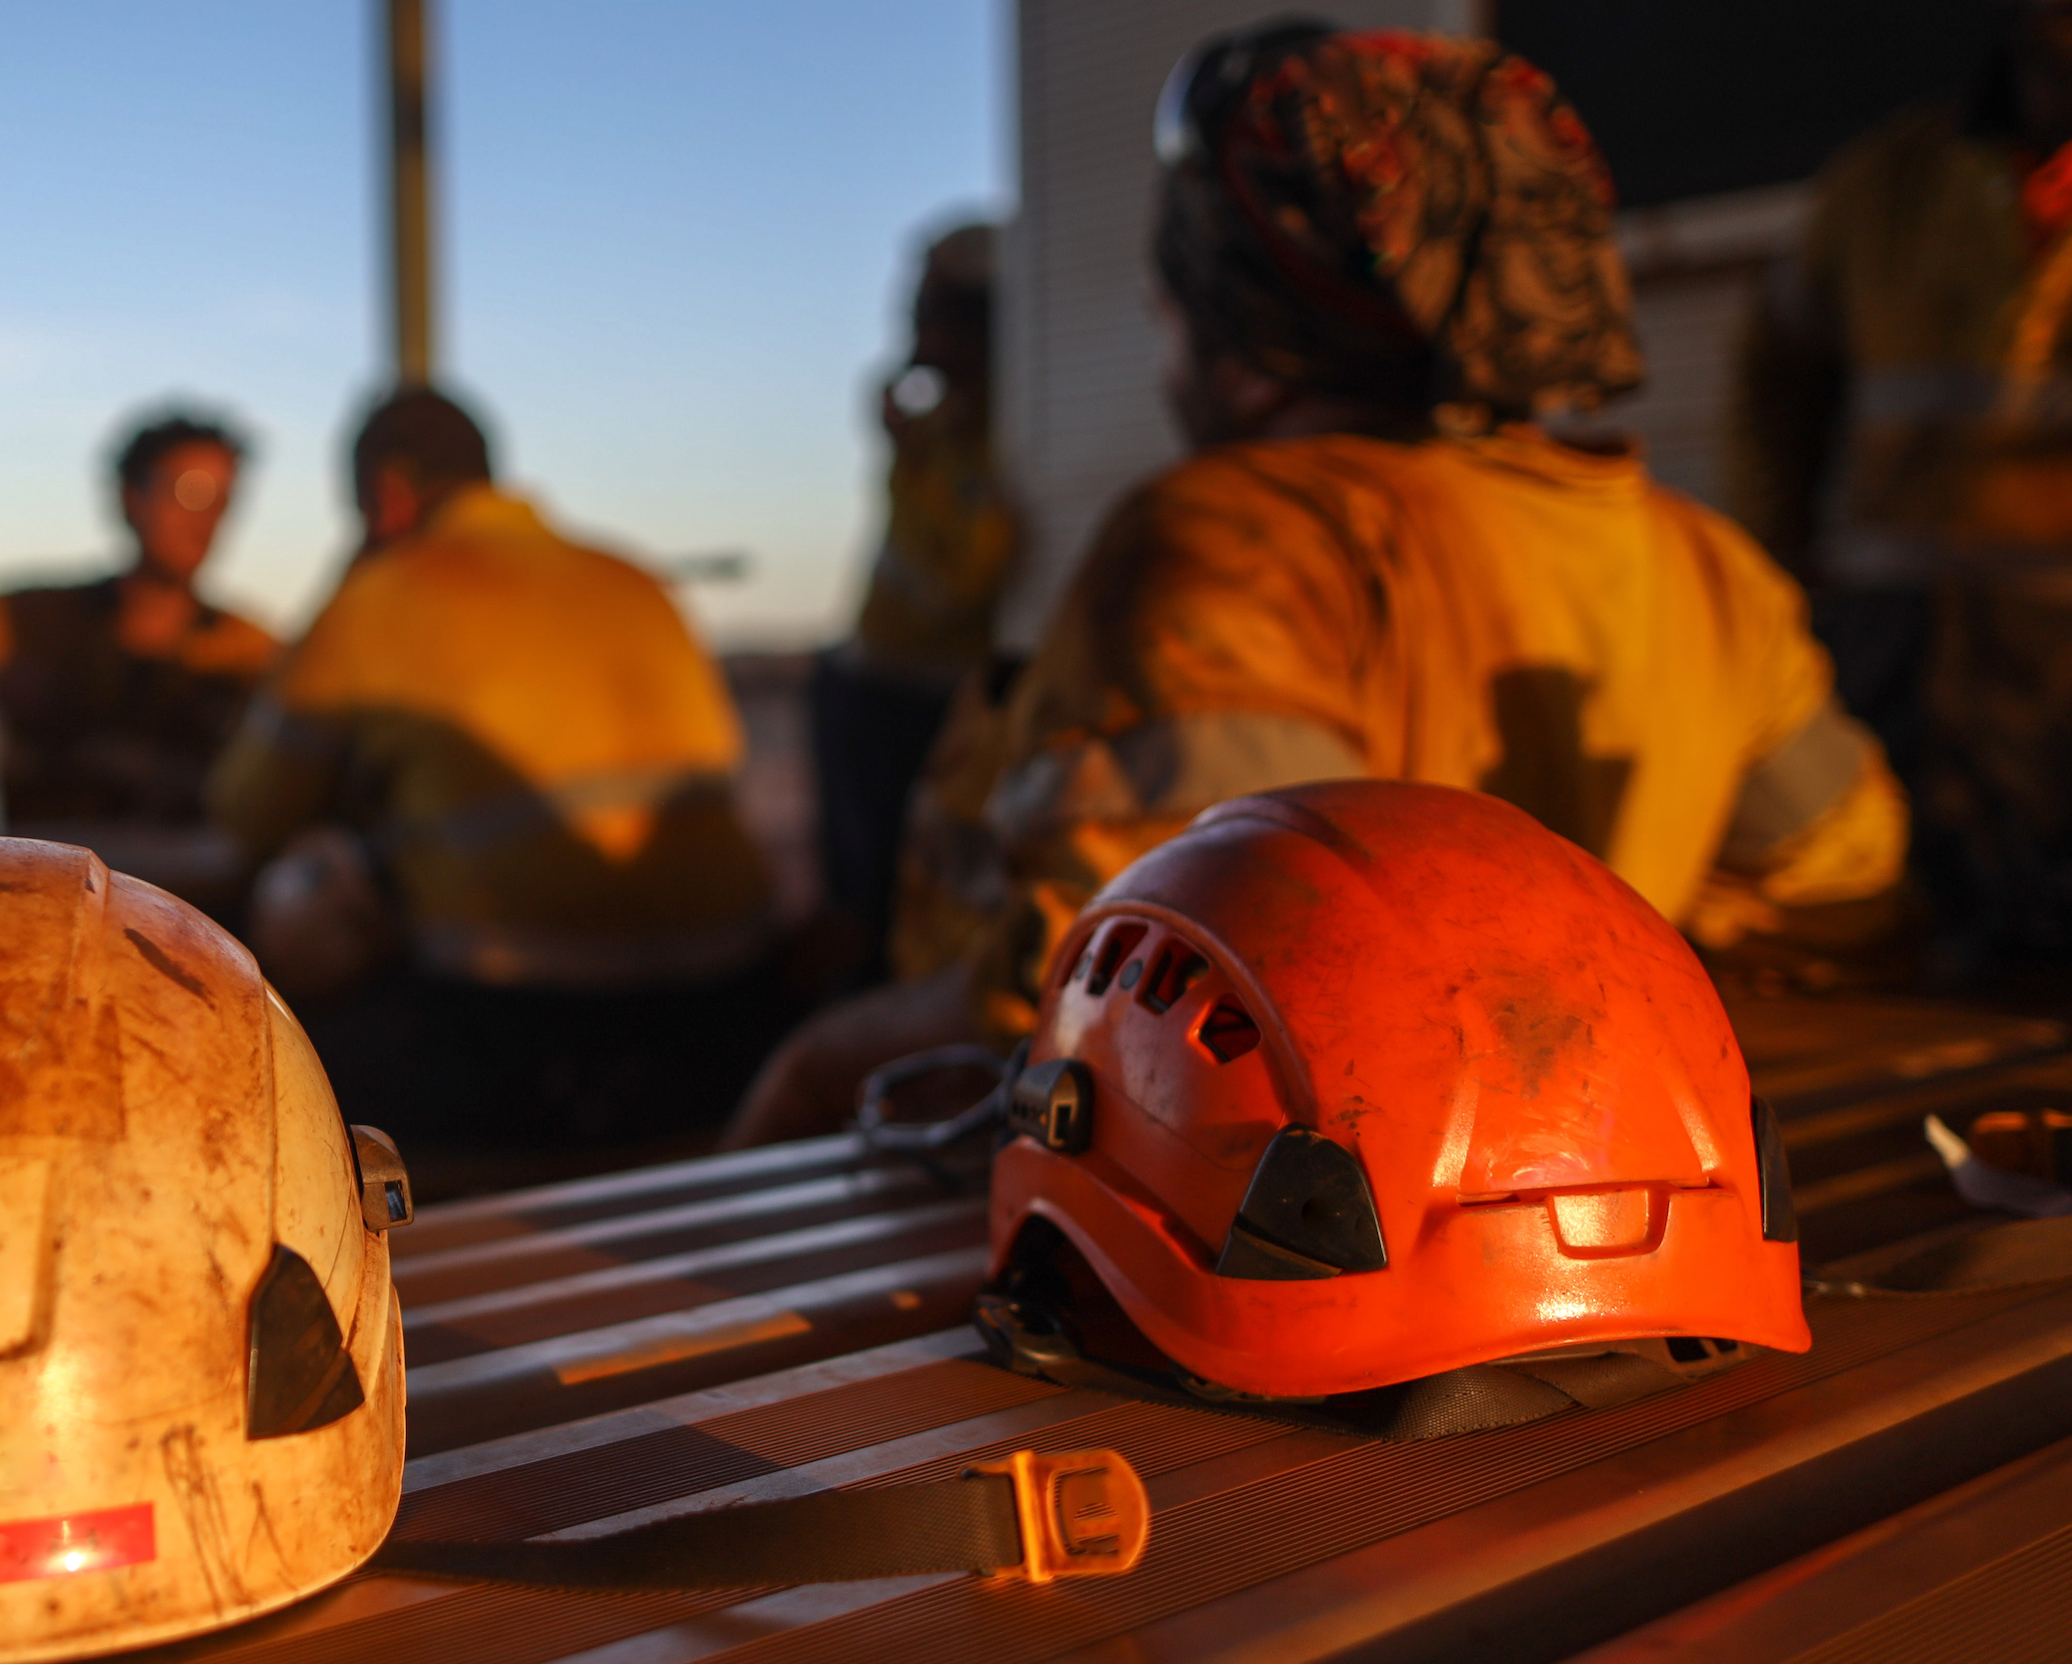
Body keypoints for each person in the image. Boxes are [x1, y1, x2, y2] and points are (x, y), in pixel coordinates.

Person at [729, 24, 1908, 1146]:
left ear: (1245, 335)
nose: (1166, 359)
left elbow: (1110, 984)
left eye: (1171, 314)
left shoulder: (1235, 538)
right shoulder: (1703, 562)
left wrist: (826, 1058)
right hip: (1552, 1182)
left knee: (805, 1082)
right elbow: (1839, 881)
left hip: (1281, 1233)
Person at [209, 386, 779, 1161]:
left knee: (281, 1018)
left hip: (527, 1021)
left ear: (389, 492)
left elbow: (247, 814)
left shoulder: (382, 594)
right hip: (736, 999)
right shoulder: (631, 576)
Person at [1730, 0, 2072, 980]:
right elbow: (1775, 371)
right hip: (1899, 636)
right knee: (1899, 918)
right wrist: (1775, 556)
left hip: (2059, 657)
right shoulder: (1888, 184)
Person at [811, 223, 1021, 986]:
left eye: (928, 307)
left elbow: (955, 580)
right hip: (873, 691)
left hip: (918, 708)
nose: (910, 324)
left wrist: (908, 456)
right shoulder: (950, 427)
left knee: (890, 898)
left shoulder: (1000, 431)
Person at [0, 409, 278, 827]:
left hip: (196, 881)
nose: (206, 520)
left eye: (223, 500)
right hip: (27, 866)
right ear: (131, 497)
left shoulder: (251, 651)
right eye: (190, 493)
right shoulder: (23, 620)